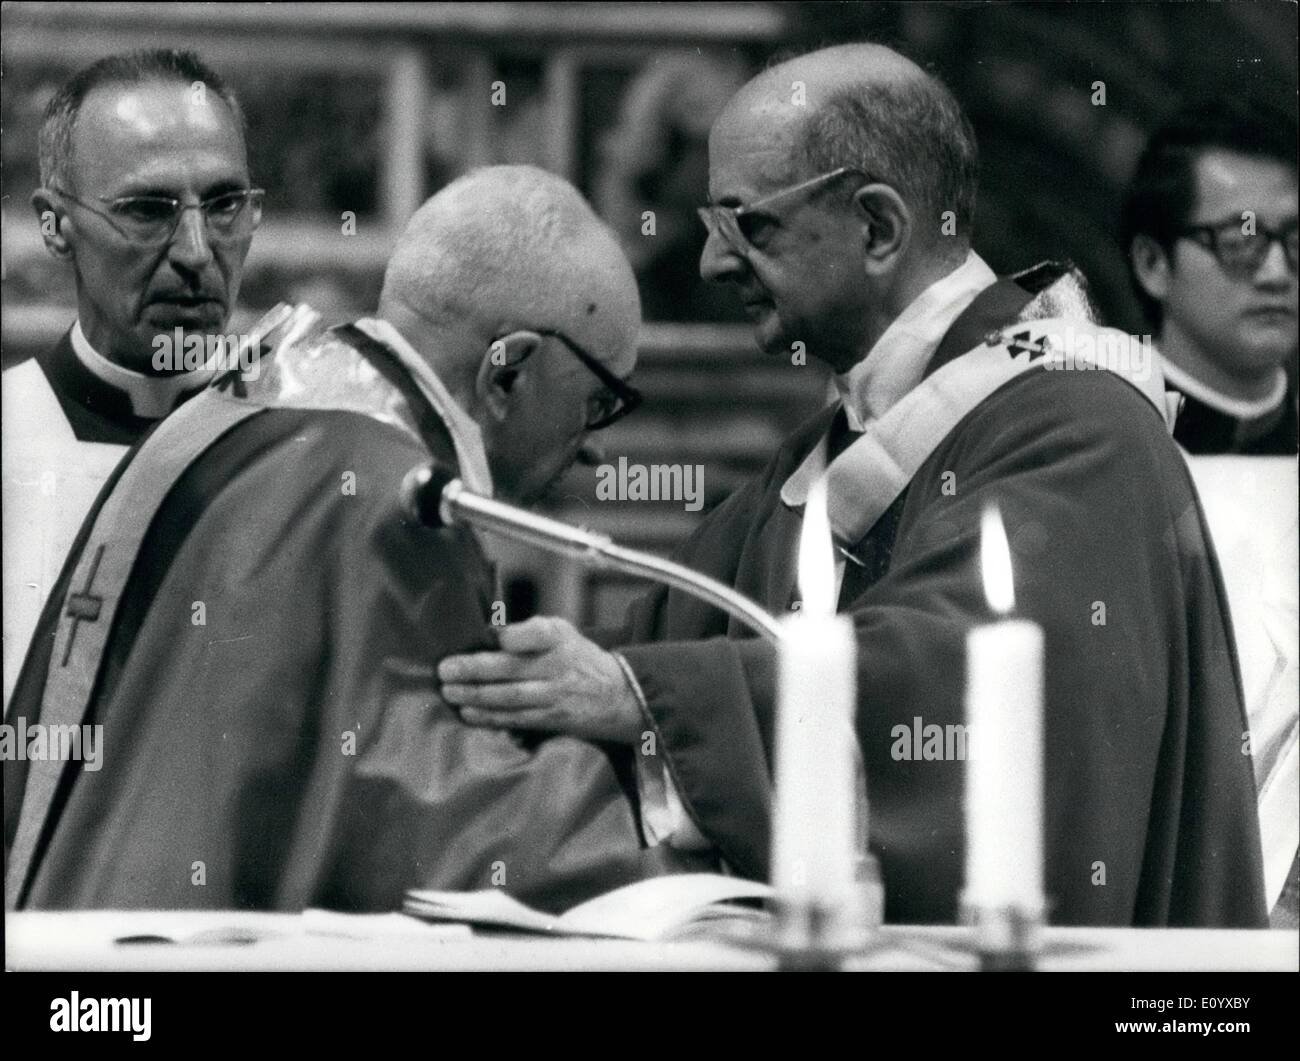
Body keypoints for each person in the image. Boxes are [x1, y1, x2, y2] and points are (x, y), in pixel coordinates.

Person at [438, 43, 1269, 927]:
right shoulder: (825, 456)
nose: (715, 265)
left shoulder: (1081, 430)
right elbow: (662, 643)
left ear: (877, 227)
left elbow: (966, 702)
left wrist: (642, 696)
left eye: (748, 227)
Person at [3, 165, 699, 913]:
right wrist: (682, 786)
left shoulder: (259, 398)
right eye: (600, 402)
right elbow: (431, 826)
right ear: (508, 371)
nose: (596, 448)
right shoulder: (395, 496)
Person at [2, 49, 262, 708]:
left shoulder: (305, 447)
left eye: (226, 204)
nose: (197, 253)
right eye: (148, 211)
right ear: (55, 225)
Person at [1124, 98, 1298, 455]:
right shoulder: (1090, 440)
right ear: (1152, 264)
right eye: (1239, 242)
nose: (1277, 275)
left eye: (1296, 241)